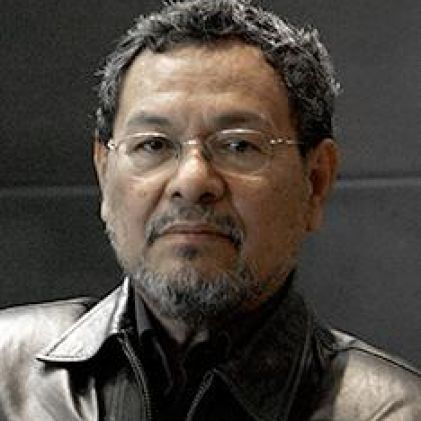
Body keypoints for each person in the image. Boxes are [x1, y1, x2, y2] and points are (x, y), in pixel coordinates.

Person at [1, 0, 420, 419]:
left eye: (239, 145)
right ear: (104, 174)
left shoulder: (392, 411)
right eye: (153, 144)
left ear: (315, 183)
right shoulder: (6, 375)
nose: (192, 181)